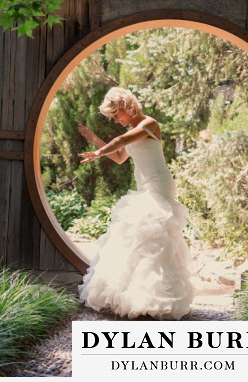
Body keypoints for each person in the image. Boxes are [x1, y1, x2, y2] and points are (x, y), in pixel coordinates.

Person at [76, 87, 194, 320]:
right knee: (138, 236)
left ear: (128, 107)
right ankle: (137, 295)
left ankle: (160, 297)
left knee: (156, 236)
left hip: (159, 184)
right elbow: (119, 157)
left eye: (116, 114)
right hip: (144, 186)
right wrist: (93, 141)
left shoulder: (149, 124)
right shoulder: (133, 130)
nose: (116, 119)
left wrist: (98, 151)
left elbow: (120, 140)